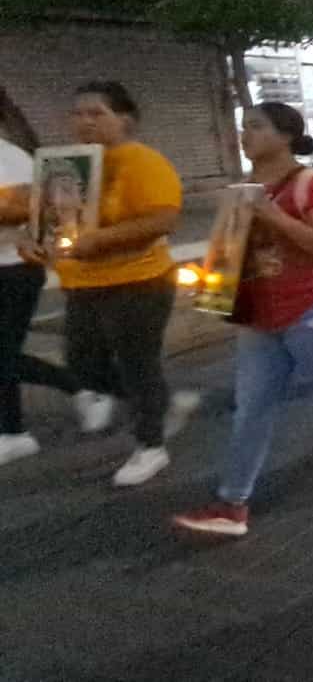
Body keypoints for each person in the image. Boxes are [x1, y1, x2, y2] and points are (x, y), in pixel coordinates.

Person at [172, 104, 313, 536]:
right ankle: (232, 503)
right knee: (251, 407)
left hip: (312, 310)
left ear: (286, 136)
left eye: (256, 127)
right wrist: (214, 278)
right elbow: (236, 251)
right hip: (259, 315)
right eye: (243, 126)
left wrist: (273, 217)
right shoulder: (244, 191)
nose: (244, 134)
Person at [18, 82, 184, 486]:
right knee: (83, 365)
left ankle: (150, 446)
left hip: (139, 281)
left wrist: (101, 240)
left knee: (136, 364)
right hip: (83, 284)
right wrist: (31, 237)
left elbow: (162, 219)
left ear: (124, 119)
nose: (85, 121)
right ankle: (157, 403)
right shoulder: (66, 164)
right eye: (78, 114)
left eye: (97, 113)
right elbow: (47, 218)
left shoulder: (141, 161)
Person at [0, 88, 84, 467]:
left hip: (14, 270)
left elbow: (21, 211)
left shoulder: (10, 159)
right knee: (4, 356)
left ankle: (80, 386)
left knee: (2, 356)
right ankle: (13, 433)